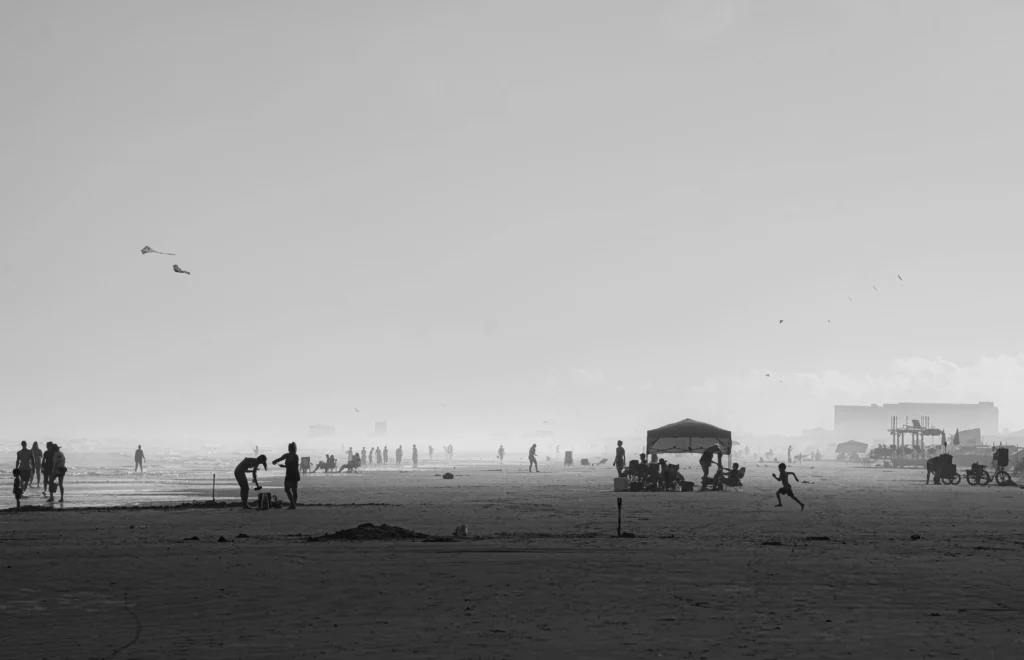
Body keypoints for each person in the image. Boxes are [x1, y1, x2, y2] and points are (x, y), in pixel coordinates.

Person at [272, 443, 300, 509]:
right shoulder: (287, 455)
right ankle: (293, 504)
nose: (289, 449)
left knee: (293, 490)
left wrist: (284, 466)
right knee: (288, 490)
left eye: (290, 448)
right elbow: (281, 458)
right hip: (290, 474)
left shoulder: (295, 456)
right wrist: (275, 461)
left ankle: (293, 504)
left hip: (293, 474)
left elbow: (295, 466)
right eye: (289, 448)